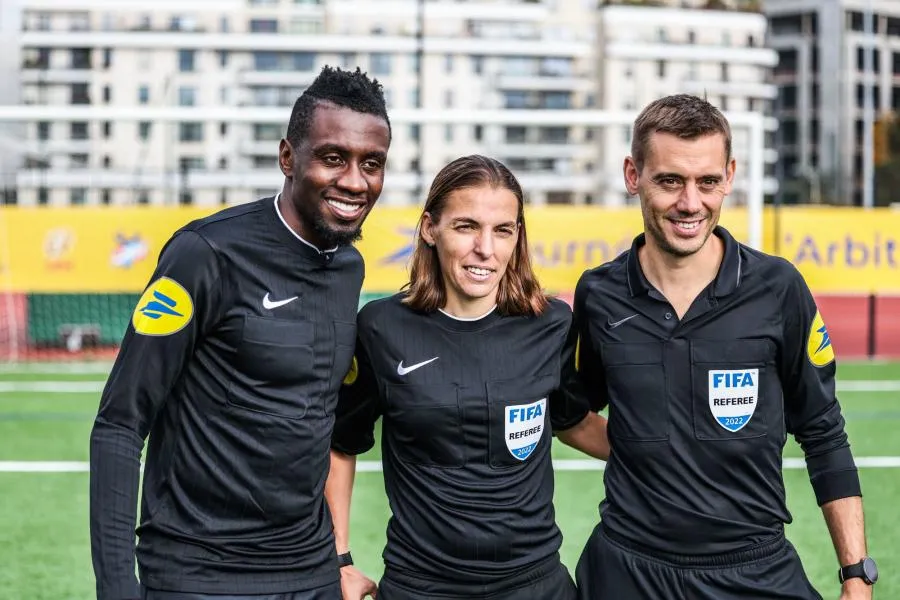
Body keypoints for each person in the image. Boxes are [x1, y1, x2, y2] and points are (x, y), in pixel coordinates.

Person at [88, 66, 392, 600]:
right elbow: (119, 423)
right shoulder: (204, 254)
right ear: (287, 157)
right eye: (332, 158)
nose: (354, 181)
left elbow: (320, 424)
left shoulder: (349, 267)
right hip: (199, 576)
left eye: (372, 163)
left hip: (309, 573)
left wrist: (339, 559)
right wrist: (116, 586)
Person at [566, 94, 876, 599]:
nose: (691, 203)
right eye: (670, 181)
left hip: (754, 569)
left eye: (707, 182)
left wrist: (857, 575)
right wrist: (648, 455)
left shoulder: (778, 289)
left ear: (729, 176)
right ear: (632, 175)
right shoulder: (599, 294)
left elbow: (823, 433)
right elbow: (570, 413)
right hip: (628, 571)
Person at [325, 155, 610, 600]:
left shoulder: (551, 324)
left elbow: (572, 420)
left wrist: (670, 456)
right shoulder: (380, 328)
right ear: (430, 228)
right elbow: (341, 444)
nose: (485, 249)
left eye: (503, 230)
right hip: (422, 587)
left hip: (534, 585)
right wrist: (340, 559)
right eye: (466, 226)